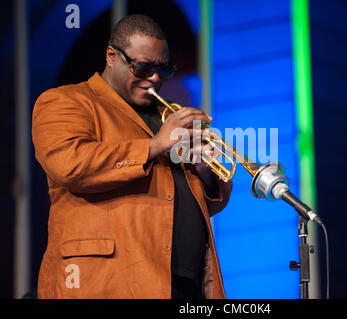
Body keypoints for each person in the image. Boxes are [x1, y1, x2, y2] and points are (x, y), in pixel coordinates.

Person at [32, 14, 232, 299]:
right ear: (112, 56)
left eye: (164, 70)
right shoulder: (67, 101)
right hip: (108, 281)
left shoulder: (168, 114)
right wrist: (155, 145)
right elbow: (70, 165)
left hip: (184, 285)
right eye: (143, 67)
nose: (154, 79)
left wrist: (203, 167)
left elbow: (211, 199)